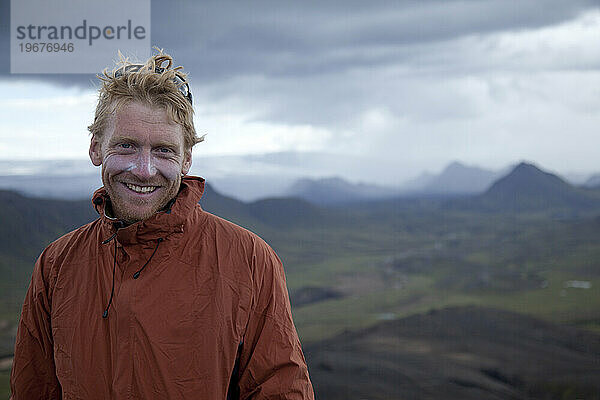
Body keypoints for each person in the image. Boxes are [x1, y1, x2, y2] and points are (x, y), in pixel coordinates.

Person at [10, 50, 314, 399]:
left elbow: (280, 390)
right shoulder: (56, 265)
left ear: (186, 159)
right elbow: (33, 389)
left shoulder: (249, 260)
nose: (144, 169)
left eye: (164, 151)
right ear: (96, 149)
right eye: (126, 146)